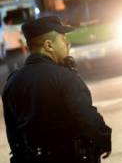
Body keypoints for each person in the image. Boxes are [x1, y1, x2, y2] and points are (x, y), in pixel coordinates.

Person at [2, 16, 111, 163]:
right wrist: (104, 138)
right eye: (62, 38)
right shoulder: (65, 77)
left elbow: (13, 135)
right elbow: (86, 116)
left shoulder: (12, 83)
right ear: (48, 45)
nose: (68, 42)